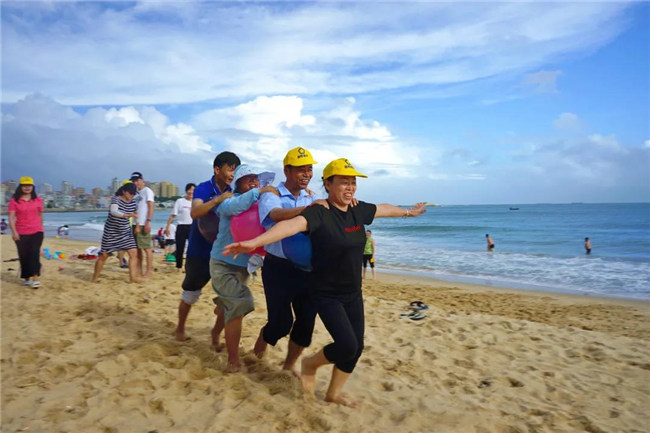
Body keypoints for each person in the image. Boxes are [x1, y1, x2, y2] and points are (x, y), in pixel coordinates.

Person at [224, 158, 427, 406]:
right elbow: (290, 226)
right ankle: (310, 364)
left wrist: (409, 212)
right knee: (347, 344)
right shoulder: (319, 211)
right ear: (328, 184)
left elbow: (383, 208)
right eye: (343, 182)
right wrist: (254, 242)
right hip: (326, 293)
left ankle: (332, 393)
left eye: (353, 183)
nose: (350, 187)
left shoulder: (357, 209)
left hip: (352, 292)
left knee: (356, 348)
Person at [254, 146, 318, 374]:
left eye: (309, 169)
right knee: (280, 324)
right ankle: (256, 356)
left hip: (308, 270)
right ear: (287, 170)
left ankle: (289, 365)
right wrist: (309, 209)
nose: (307, 174)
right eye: (301, 170)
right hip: (277, 268)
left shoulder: (313, 195)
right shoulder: (272, 194)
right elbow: (275, 216)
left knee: (306, 324)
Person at [209, 164, 278, 372]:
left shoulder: (260, 202)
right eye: (248, 179)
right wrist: (260, 191)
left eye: (256, 178)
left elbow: (279, 212)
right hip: (223, 264)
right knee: (239, 305)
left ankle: (215, 332)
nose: (254, 182)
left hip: (244, 266)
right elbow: (234, 207)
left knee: (229, 306)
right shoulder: (229, 200)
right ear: (238, 183)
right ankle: (233, 360)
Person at [174, 151, 238, 342]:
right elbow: (195, 212)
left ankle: (216, 333)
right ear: (217, 169)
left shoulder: (235, 190)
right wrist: (218, 199)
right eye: (229, 169)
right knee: (190, 294)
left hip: (225, 253)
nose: (232, 174)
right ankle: (180, 328)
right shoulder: (203, 188)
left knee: (229, 299)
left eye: (235, 170)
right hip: (199, 251)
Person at [92, 183, 141, 283]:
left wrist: (137, 225)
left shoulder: (133, 202)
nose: (132, 195)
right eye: (130, 193)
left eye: (134, 194)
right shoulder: (116, 199)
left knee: (133, 253)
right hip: (111, 233)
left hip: (125, 232)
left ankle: (132, 278)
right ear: (124, 191)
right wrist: (127, 215)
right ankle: (95, 278)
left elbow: (136, 214)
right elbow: (114, 212)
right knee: (103, 256)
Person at [8, 176, 44, 288]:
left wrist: (41, 228)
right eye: (24, 185)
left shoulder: (38, 200)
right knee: (24, 256)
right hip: (21, 232)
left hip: (36, 231)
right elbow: (11, 218)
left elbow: (40, 216)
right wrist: (14, 232)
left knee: (34, 253)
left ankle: (35, 278)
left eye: (29, 185)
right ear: (21, 187)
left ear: (32, 186)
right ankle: (26, 278)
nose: (27, 187)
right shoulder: (14, 201)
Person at [130, 171, 155, 278]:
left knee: (147, 248)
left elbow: (151, 207)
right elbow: (135, 210)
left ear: (142, 180)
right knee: (138, 249)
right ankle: (139, 270)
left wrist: (148, 222)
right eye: (133, 181)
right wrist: (135, 224)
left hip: (144, 223)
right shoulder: (135, 194)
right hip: (136, 224)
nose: (136, 183)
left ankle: (148, 271)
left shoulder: (147, 191)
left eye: (137, 181)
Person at [165, 183, 195, 271]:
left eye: (193, 190)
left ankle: (189, 267)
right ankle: (178, 266)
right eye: (190, 190)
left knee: (191, 248)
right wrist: (167, 227)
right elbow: (173, 215)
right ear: (186, 191)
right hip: (181, 226)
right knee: (180, 247)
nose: (191, 192)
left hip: (192, 227)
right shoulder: (180, 201)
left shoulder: (196, 202)